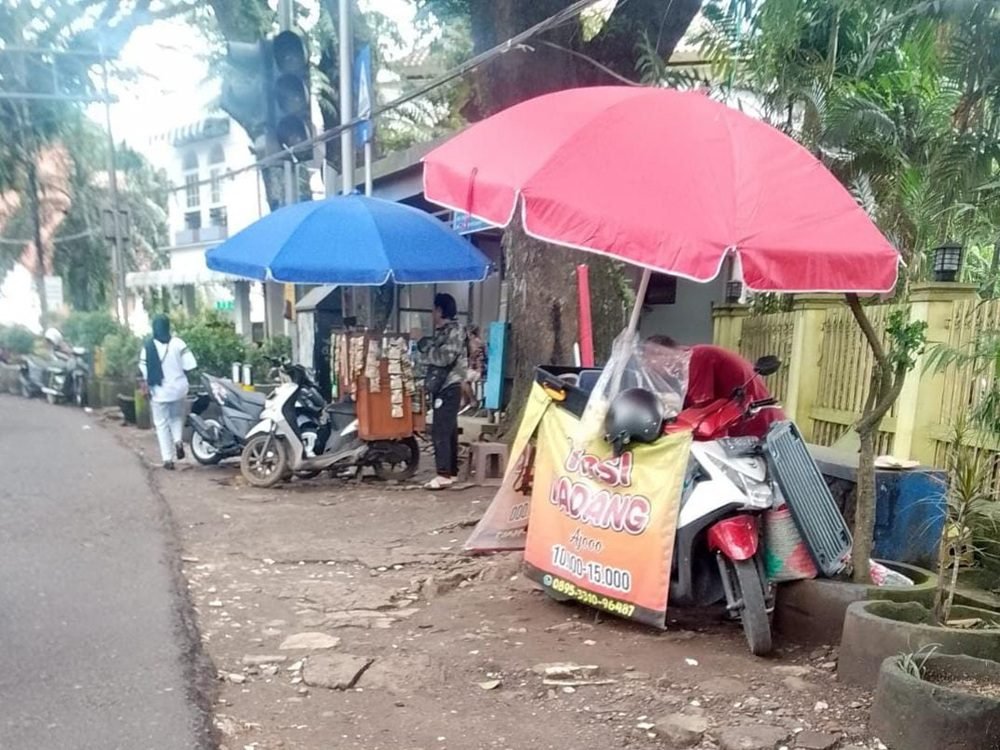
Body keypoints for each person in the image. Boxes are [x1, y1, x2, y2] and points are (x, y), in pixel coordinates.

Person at [646, 335, 785, 438]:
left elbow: (700, 408)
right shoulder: (693, 359)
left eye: (651, 358)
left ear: (664, 352)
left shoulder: (697, 357)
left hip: (758, 428)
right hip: (747, 427)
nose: (650, 365)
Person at [418, 293, 468, 490]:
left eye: (433, 309)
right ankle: (451, 472)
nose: (432, 313)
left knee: (441, 430)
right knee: (449, 430)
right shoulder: (444, 331)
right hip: (444, 386)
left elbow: (444, 358)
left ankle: (443, 474)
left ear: (440, 310)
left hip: (450, 385)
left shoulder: (455, 331)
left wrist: (426, 352)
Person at [139, 315, 197, 469]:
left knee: (161, 424)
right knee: (176, 417)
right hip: (179, 389)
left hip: (159, 392)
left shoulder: (148, 346)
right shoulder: (178, 343)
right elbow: (191, 365)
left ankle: (168, 459)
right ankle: (178, 440)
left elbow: (143, 370)